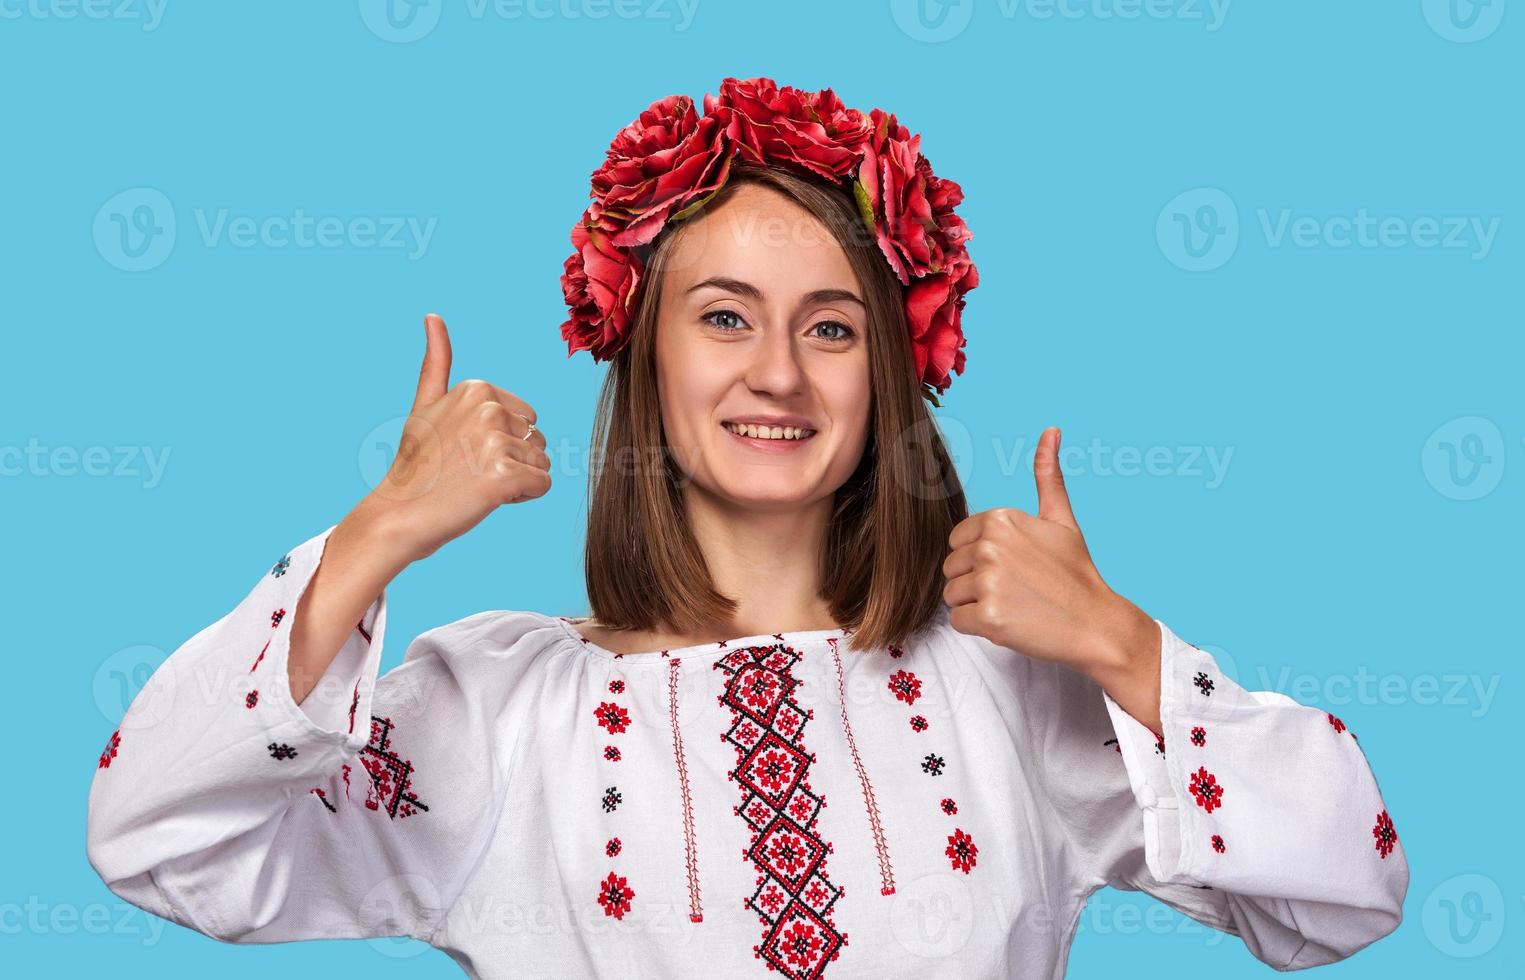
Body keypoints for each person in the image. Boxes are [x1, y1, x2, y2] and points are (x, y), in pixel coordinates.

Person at [86, 78, 1407, 979]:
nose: (776, 372)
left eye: (829, 326)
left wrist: (1122, 648)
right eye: (722, 315)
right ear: (642, 354)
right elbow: (157, 838)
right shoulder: (498, 714)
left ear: (890, 364)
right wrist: (375, 536)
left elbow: (1345, 889)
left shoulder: (1011, 692)